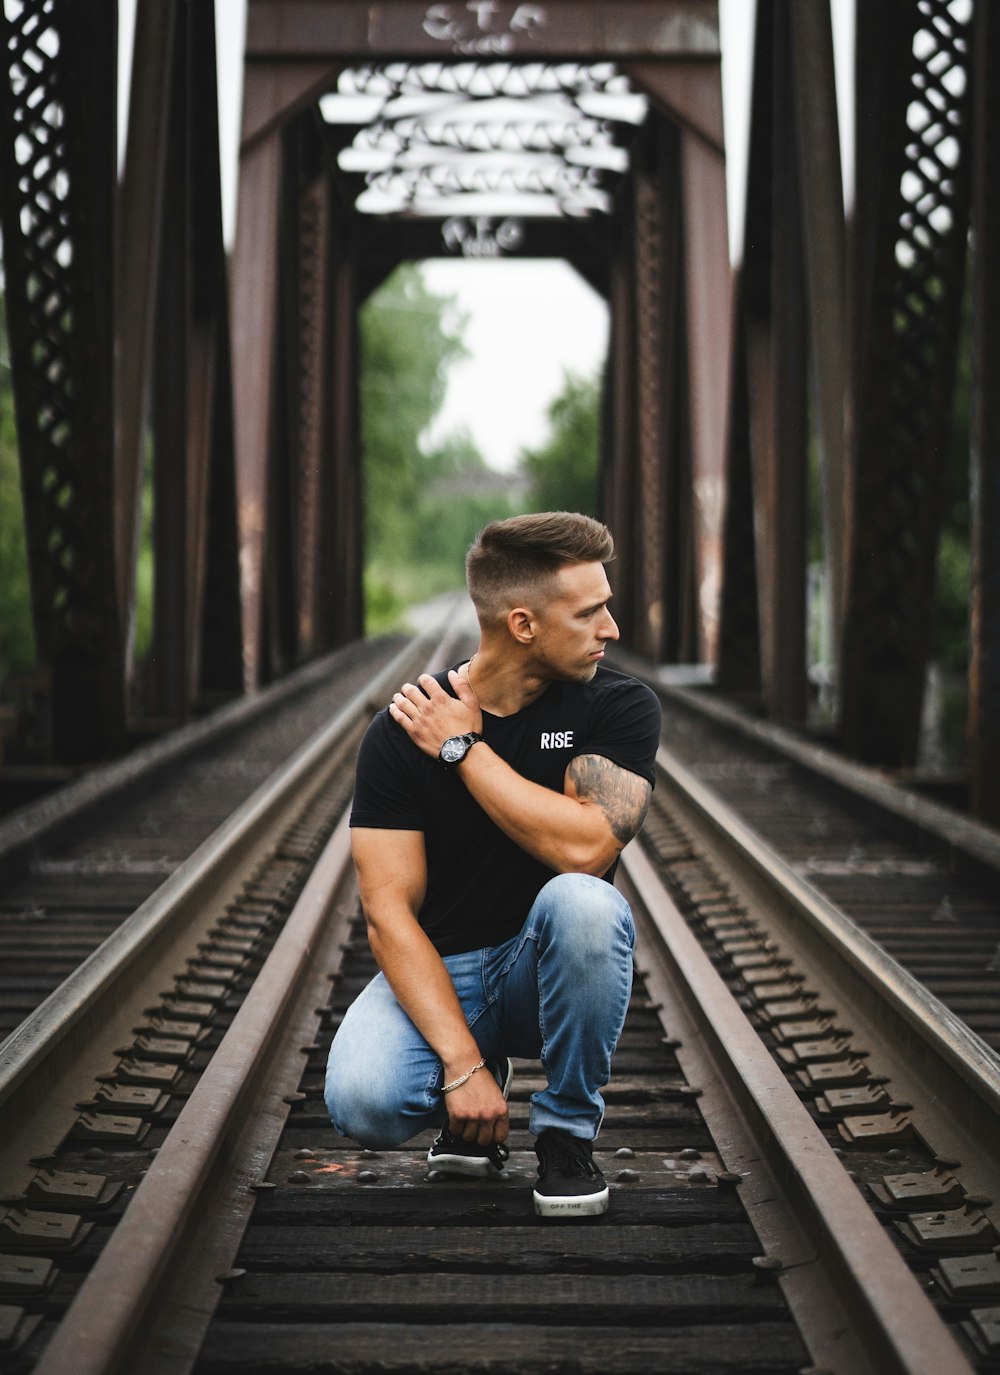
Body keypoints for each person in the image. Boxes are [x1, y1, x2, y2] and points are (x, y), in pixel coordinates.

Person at [325, 511, 661, 1217]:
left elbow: (586, 847)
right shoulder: (397, 734)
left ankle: (567, 1133)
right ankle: (479, 1077)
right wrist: (463, 1065)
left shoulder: (618, 706)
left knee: (587, 902)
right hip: (444, 972)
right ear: (523, 625)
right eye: (591, 611)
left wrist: (464, 751)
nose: (613, 629)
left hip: (544, 974)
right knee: (361, 1097)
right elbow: (387, 915)